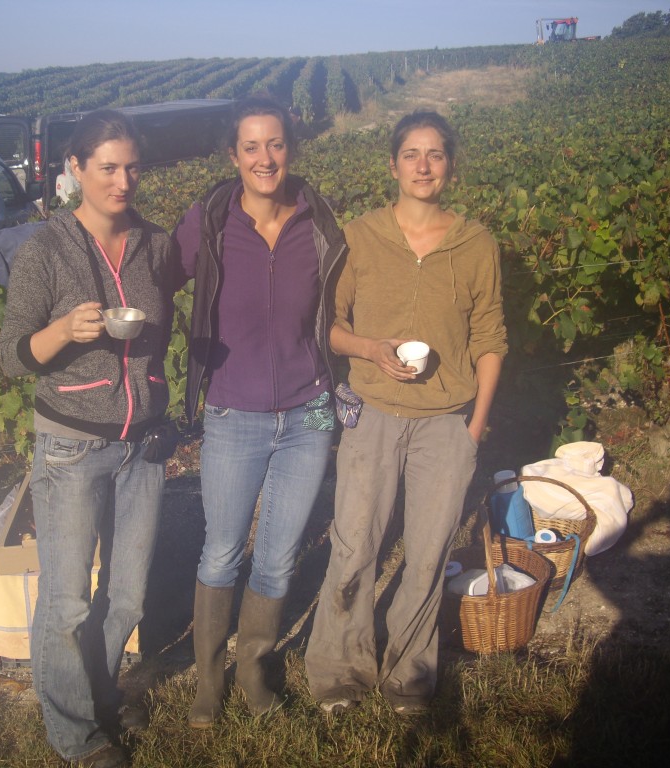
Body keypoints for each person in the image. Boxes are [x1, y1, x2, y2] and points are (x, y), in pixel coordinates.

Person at [304, 111, 508, 715]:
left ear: (449, 166)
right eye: (412, 154)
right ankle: (340, 669)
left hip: (447, 422)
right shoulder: (361, 236)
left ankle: (410, 675)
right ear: (392, 165)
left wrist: (475, 426)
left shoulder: (476, 244)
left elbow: (491, 335)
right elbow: (329, 326)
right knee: (355, 546)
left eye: (436, 154)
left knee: (426, 553)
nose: (423, 165)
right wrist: (371, 349)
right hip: (372, 413)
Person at [0, 110, 176, 768]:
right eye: (107, 167)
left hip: (144, 444)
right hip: (72, 442)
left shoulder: (155, 245)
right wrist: (62, 334)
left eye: (131, 167)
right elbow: (13, 355)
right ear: (75, 168)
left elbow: (168, 324)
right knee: (68, 597)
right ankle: (73, 732)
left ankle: (98, 693)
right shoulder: (45, 249)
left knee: (126, 592)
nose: (122, 180)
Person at [172, 96, 347, 728]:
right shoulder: (209, 222)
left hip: (311, 413)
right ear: (233, 156)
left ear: (290, 150)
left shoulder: (319, 222)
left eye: (275, 144)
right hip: (231, 413)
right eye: (251, 146)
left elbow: (346, 305)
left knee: (279, 552)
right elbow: (155, 284)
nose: (264, 157)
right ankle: (208, 683)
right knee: (222, 552)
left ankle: (255, 672)